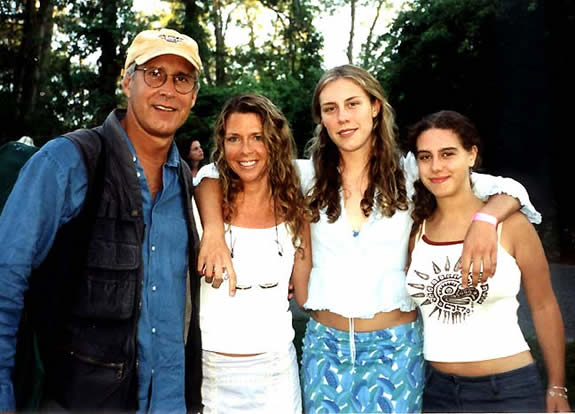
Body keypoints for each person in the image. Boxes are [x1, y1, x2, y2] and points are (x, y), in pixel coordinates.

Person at [193, 65, 540, 413]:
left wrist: (485, 219)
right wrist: (213, 232)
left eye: (352, 104)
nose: (342, 117)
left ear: (375, 107)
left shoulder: (412, 173)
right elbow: (211, 173)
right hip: (325, 350)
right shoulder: (305, 176)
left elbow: (508, 189)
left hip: (396, 350)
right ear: (322, 119)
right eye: (330, 109)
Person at [0, 28, 203, 413]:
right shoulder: (67, 162)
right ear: (127, 82)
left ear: (192, 95)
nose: (168, 89)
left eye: (182, 79)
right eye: (154, 74)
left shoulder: (186, 184)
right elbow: (5, 280)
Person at [405, 110, 569, 413]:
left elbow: (544, 305)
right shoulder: (416, 230)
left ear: (471, 155)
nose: (436, 166)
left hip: (508, 391)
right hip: (437, 392)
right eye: (425, 157)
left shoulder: (512, 226)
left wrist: (557, 385)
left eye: (448, 154)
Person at [198, 94, 311, 413]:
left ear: (275, 142)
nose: (245, 150)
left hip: (276, 373)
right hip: (211, 371)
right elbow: (204, 179)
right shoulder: (203, 206)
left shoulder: (296, 212)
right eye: (234, 138)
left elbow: (305, 296)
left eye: (257, 137)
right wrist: (213, 230)